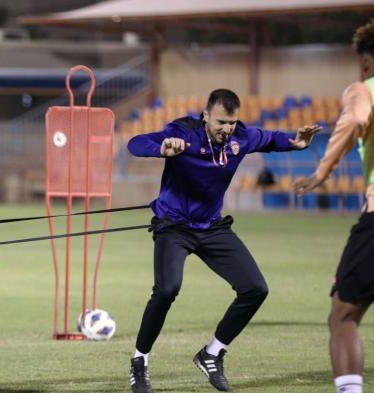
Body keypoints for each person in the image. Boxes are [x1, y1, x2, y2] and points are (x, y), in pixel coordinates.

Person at [126, 88, 321, 393]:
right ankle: (140, 361)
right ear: (205, 116)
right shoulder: (183, 132)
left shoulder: (240, 137)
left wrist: (295, 143)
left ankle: (212, 352)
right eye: (220, 122)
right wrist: (162, 147)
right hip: (174, 226)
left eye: (231, 123)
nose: (226, 129)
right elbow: (135, 143)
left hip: (212, 228)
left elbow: (269, 139)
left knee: (255, 289)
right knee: (167, 289)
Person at [294, 20, 374, 393]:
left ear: (365, 63)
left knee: (343, 314)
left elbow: (357, 117)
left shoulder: (363, 88)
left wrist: (322, 171)